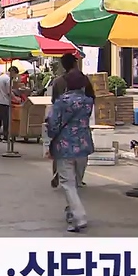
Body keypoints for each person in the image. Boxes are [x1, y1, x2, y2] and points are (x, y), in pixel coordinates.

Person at [46, 70, 94, 233]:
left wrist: (50, 138)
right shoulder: (88, 101)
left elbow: (53, 124)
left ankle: (79, 216)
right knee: (75, 183)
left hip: (64, 146)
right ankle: (72, 213)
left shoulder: (62, 101)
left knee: (68, 184)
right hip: (83, 146)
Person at [50, 54, 94, 188]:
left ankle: (59, 173)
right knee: (81, 153)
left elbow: (54, 101)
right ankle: (78, 179)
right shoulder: (83, 79)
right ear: (75, 63)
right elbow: (92, 97)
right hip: (80, 123)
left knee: (60, 151)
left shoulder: (58, 81)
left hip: (62, 124)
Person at [0, 66, 19, 143]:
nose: (15, 76)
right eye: (15, 74)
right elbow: (9, 92)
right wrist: (16, 98)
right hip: (4, 102)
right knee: (6, 121)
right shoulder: (8, 79)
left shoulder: (1, 77)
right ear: (13, 72)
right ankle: (5, 137)